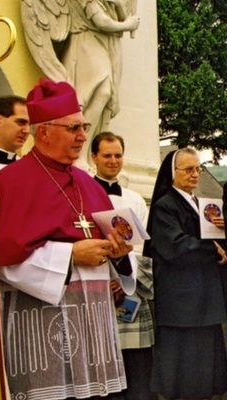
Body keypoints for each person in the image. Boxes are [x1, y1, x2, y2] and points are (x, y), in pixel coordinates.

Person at [0, 78, 138, 399]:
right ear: (43, 132)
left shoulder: (89, 184)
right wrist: (71, 256)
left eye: (83, 127)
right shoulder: (9, 183)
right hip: (42, 324)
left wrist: (117, 253)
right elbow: (1, 262)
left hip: (93, 321)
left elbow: (116, 253)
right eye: (73, 128)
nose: (83, 136)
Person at [144, 148, 227, 400]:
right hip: (182, 305)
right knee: (186, 378)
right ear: (172, 173)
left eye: (197, 169)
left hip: (204, 300)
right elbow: (175, 246)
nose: (195, 174)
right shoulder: (165, 206)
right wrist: (212, 249)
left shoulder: (201, 205)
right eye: (188, 169)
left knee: (204, 377)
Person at [20, 0, 140, 172]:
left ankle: (88, 153)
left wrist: (120, 6)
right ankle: (79, 155)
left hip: (105, 43)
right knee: (93, 95)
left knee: (104, 95)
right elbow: (101, 21)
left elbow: (120, 19)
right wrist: (128, 25)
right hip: (86, 43)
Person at [91, 131, 156, 400]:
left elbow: (142, 247)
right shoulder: (84, 194)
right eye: (107, 155)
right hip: (95, 287)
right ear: (93, 157)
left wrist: (124, 280)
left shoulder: (135, 199)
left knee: (137, 367)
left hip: (131, 290)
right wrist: (106, 280)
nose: (113, 160)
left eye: (118, 155)